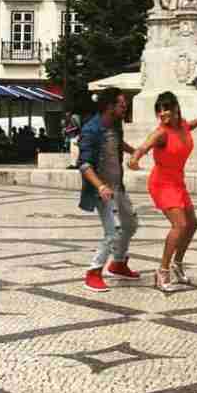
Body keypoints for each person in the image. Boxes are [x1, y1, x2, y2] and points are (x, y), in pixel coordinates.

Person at [129, 92, 197, 292]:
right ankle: (162, 271)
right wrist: (134, 159)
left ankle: (177, 263)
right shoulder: (161, 133)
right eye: (159, 110)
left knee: (192, 225)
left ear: (176, 108)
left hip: (177, 182)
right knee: (180, 225)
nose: (162, 113)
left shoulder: (182, 125)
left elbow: (190, 126)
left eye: (166, 108)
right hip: (162, 183)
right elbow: (144, 146)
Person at [77, 88, 142, 293]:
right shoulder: (90, 130)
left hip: (117, 186)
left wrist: (136, 151)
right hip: (100, 189)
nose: (125, 107)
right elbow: (84, 165)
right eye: (122, 104)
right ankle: (93, 272)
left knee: (131, 224)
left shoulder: (115, 124)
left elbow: (117, 143)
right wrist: (101, 186)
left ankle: (118, 263)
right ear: (109, 107)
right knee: (112, 231)